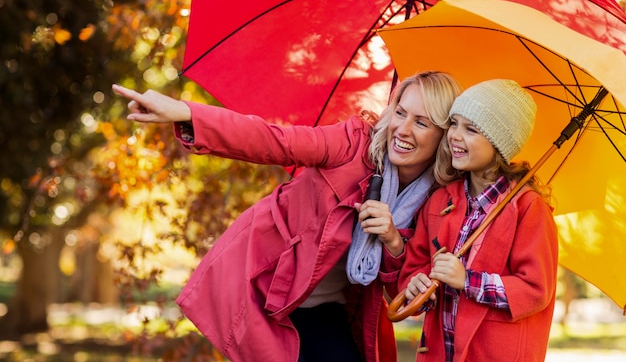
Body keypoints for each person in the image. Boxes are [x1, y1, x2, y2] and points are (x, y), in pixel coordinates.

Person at [112, 71, 462, 362]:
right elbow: (276, 141)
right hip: (268, 287)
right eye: (401, 112)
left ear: (443, 135)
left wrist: (391, 238)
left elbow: (398, 288)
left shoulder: (437, 198)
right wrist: (187, 114)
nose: (403, 129)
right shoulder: (353, 143)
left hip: (329, 305)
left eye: (422, 123)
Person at [398, 79, 558, 362]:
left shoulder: (527, 208)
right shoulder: (440, 201)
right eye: (454, 123)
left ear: (500, 145)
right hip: (439, 352)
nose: (455, 136)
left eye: (471, 129)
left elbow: (535, 290)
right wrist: (415, 283)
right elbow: (416, 264)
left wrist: (468, 281)